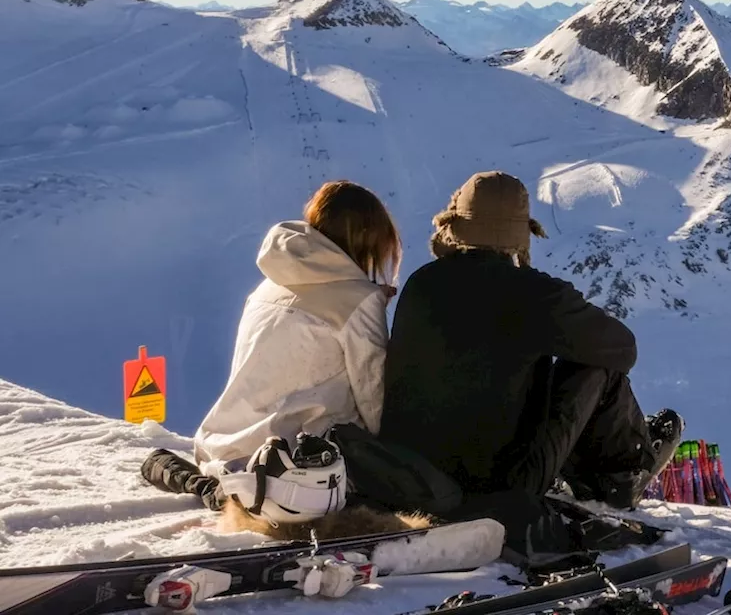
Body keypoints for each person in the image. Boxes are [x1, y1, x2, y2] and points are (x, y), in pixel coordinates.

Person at [381, 170, 683, 512]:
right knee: (595, 367)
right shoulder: (534, 294)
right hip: (496, 486)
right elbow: (621, 348)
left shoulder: (421, 283)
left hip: (410, 477)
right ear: (521, 232)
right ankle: (623, 476)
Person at [141, 180, 417, 521]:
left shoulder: (269, 284)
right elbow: (375, 399)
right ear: (368, 241)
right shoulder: (357, 300)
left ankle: (225, 488)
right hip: (296, 463)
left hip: (225, 446)